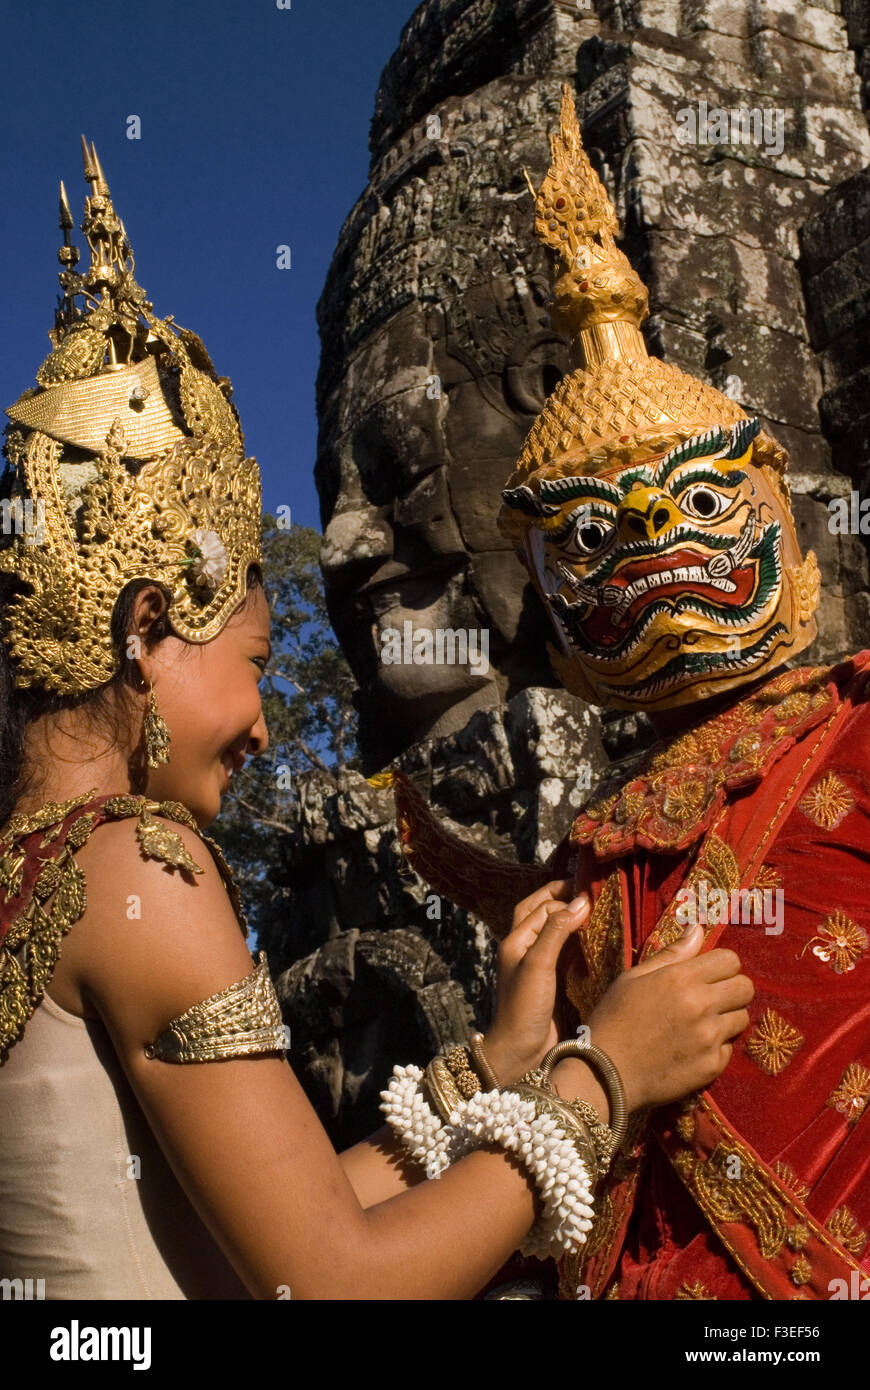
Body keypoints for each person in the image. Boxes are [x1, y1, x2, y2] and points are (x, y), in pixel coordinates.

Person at [0, 139, 753, 1301]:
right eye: (254, 662)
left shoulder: (33, 871)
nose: (262, 727)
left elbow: (271, 1226)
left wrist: (491, 1071)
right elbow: (337, 1284)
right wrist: (604, 1074)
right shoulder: (139, 867)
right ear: (149, 628)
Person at [395, 85, 870, 1300]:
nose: (660, 543)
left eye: (706, 507)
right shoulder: (583, 862)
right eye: (598, 534)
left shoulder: (856, 727)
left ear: (780, 513)